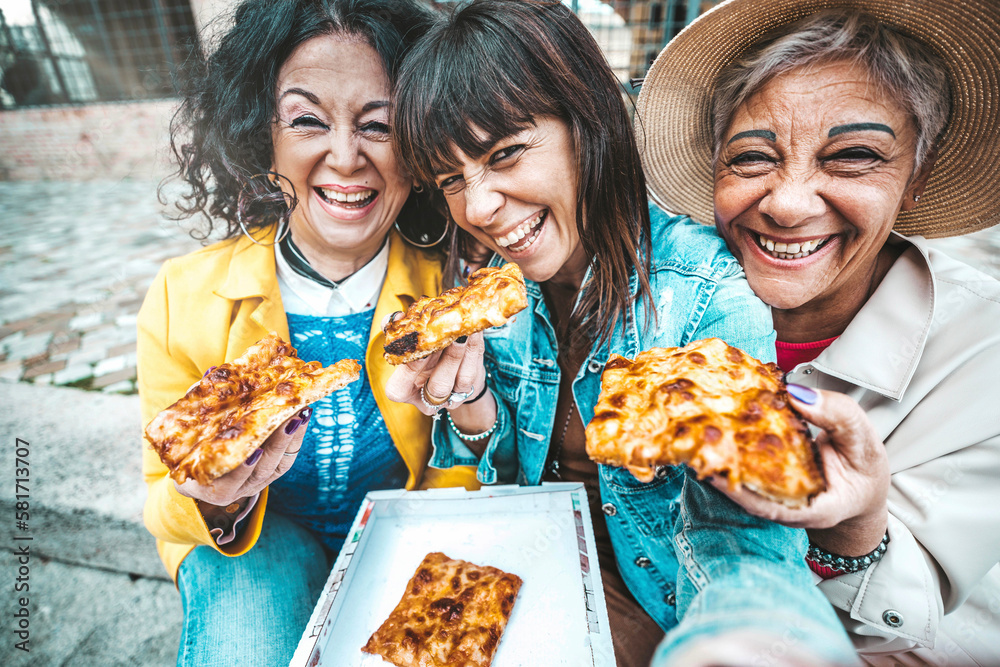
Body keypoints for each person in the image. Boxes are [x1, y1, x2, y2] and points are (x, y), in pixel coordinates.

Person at [386, 1, 858, 665]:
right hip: (532, 577)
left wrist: (742, 641)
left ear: (587, 121)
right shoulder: (500, 292)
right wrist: (469, 405)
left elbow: (749, 537)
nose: (478, 207)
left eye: (505, 154)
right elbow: (510, 479)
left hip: (653, 610)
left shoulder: (706, 296)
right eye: (450, 180)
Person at [636, 0, 1000, 662]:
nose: (789, 203)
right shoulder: (667, 300)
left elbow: (914, 626)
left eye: (854, 155)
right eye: (751, 157)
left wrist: (858, 526)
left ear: (916, 173)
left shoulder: (984, 353)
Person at [137, 0, 479, 664]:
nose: (345, 156)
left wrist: (466, 417)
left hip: (408, 527)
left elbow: (476, 471)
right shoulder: (183, 297)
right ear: (260, 136)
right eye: (306, 120)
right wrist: (211, 499)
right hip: (258, 543)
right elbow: (160, 494)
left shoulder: (457, 295)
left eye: (378, 125)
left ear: (419, 144)